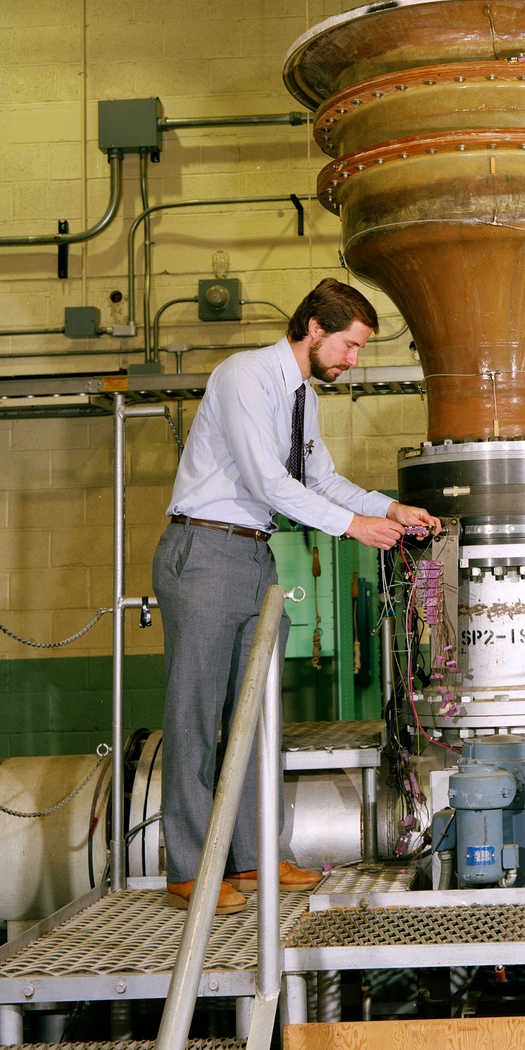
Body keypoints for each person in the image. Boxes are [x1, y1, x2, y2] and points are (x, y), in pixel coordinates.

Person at [153, 277, 441, 913]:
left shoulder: (300, 398)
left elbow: (320, 479)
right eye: (350, 345)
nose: (352, 360)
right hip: (203, 550)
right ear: (314, 328)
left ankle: (257, 860)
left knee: (257, 718)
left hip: (256, 553)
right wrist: (356, 528)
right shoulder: (243, 377)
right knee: (197, 717)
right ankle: (191, 870)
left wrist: (389, 507)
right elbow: (267, 480)